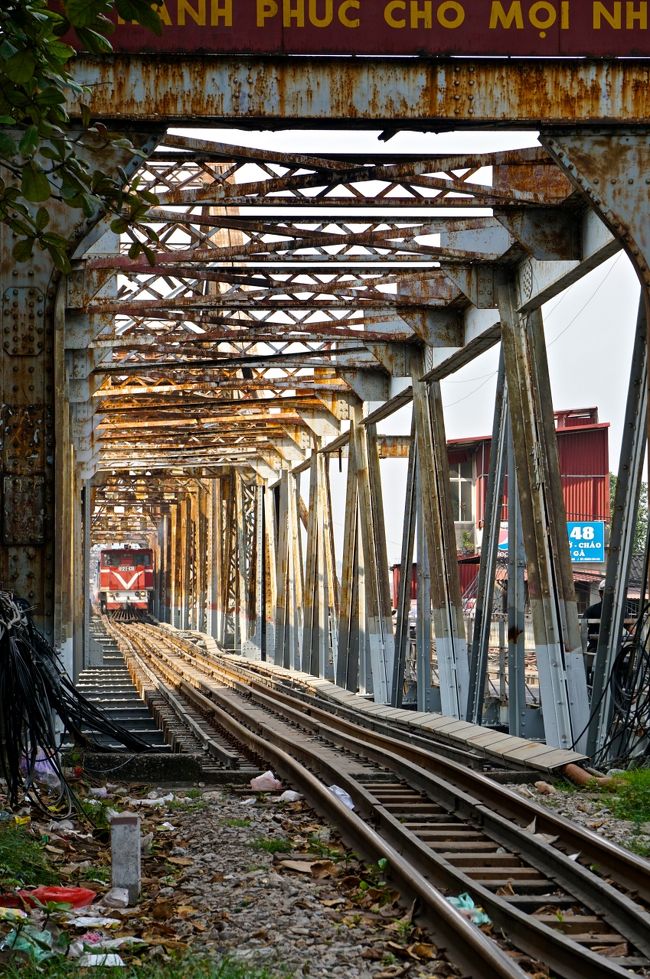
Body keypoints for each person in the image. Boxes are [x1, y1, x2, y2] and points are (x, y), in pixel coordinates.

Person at [583, 580, 605, 653]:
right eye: (603, 593)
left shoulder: (620, 611)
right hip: (595, 647)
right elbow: (583, 629)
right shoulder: (591, 610)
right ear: (600, 593)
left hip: (616, 647)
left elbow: (630, 627)